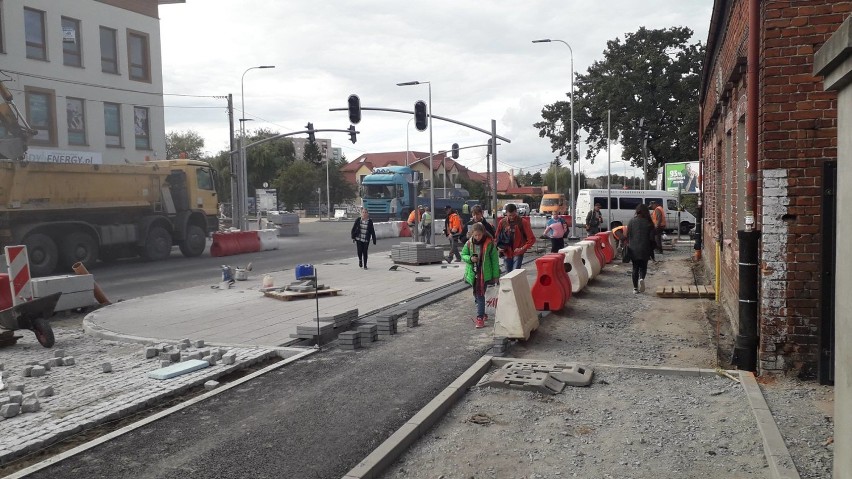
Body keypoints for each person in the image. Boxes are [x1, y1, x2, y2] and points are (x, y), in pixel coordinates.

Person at [462, 222, 500, 329]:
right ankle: (482, 311)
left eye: (479, 235)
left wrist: (496, 275)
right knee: (477, 295)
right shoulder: (469, 243)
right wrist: (470, 259)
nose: (478, 237)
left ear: (483, 233)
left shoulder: (489, 244)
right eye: (475, 235)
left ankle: (480, 318)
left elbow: (495, 260)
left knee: (480, 294)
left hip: (485, 274)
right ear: (472, 235)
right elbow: (463, 255)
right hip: (473, 273)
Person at [495, 203, 536, 272]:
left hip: (518, 252)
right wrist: (498, 247)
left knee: (514, 274)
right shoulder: (502, 222)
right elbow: (496, 237)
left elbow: (531, 239)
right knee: (508, 274)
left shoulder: (523, 222)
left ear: (516, 212)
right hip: (506, 252)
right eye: (510, 215)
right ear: (506, 213)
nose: (511, 217)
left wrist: (522, 248)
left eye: (513, 215)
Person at [626, 203, 654, 293]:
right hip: (645, 248)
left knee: (635, 268)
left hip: (633, 249)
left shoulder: (631, 221)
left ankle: (635, 288)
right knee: (643, 267)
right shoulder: (649, 223)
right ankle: (641, 278)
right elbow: (652, 238)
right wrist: (653, 249)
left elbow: (627, 235)